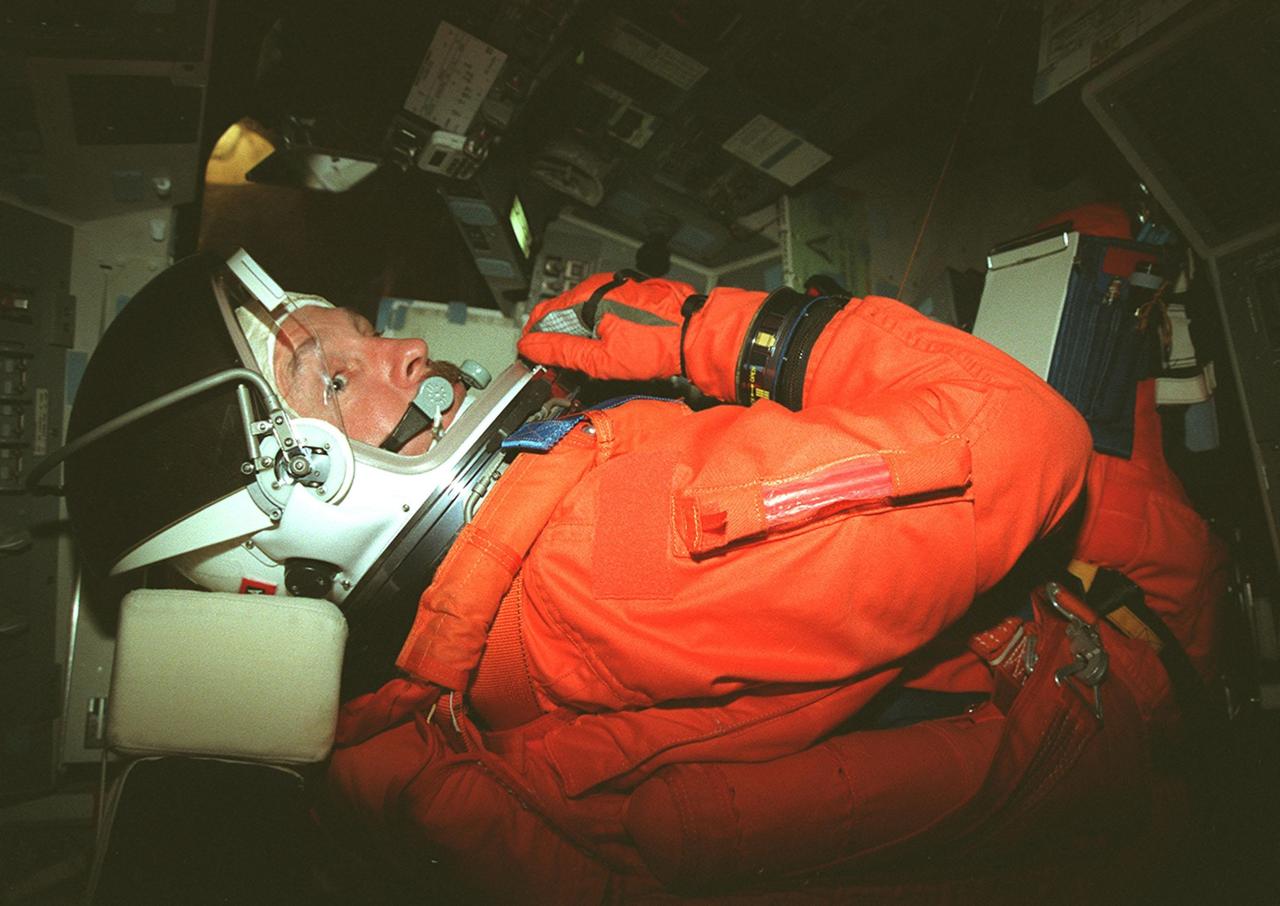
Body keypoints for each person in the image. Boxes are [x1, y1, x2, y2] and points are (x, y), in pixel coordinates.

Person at [59, 238, 1222, 902]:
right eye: (337, 375)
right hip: (1121, 656)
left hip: (1050, 769)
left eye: (364, 331)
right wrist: (708, 330)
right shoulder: (607, 561)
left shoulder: (394, 729)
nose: (404, 354)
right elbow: (1024, 449)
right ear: (297, 512)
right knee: (1097, 244)